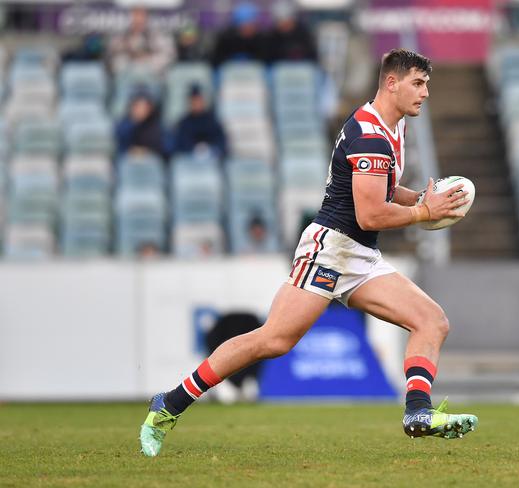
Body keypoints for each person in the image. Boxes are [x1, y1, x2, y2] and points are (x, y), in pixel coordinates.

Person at [139, 49, 478, 457]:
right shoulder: (371, 134)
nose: (425, 93)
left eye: (426, 84)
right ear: (392, 83)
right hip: (330, 250)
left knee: (432, 321)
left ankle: (417, 414)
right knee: (274, 340)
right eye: (418, 84)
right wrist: (425, 210)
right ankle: (169, 404)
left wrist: (422, 197)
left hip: (359, 254)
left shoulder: (393, 126)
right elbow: (370, 213)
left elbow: (381, 192)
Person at [108, 7, 176, 75]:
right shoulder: (121, 35)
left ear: (146, 18)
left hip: (151, 71)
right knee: (120, 62)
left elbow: (169, 54)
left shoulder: (157, 34)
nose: (138, 20)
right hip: (127, 71)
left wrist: (147, 59)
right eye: (135, 16)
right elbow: (112, 55)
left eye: (141, 16)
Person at [172, 84, 228, 158]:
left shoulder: (212, 121)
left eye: (199, 100)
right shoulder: (184, 122)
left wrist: (208, 149)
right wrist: (195, 149)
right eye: (194, 100)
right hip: (189, 161)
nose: (196, 103)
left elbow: (221, 143)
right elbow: (179, 145)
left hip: (211, 160)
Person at [209, 2, 267, 67]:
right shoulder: (226, 39)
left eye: (251, 24)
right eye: (244, 24)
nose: (248, 28)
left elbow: (265, 61)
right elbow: (216, 60)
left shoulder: (261, 40)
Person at [115, 90, 166, 158]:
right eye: (138, 106)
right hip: (128, 159)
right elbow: (121, 144)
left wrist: (145, 151)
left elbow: (163, 148)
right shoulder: (124, 124)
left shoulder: (157, 126)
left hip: (150, 160)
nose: (141, 110)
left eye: (144, 107)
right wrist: (133, 122)